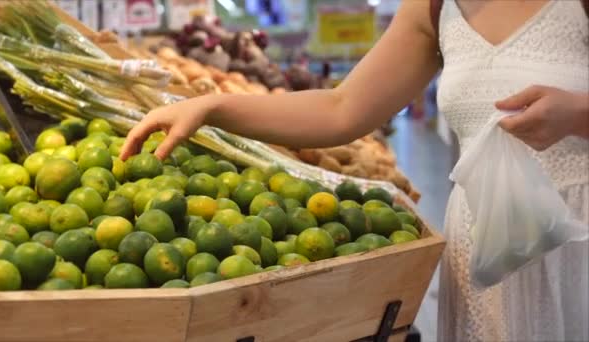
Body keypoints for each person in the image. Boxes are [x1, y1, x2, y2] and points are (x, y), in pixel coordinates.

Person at [121, 0, 589, 341]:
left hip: (578, 237)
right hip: (484, 249)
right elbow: (341, 109)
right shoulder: (434, 7)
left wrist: (578, 112)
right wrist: (212, 107)